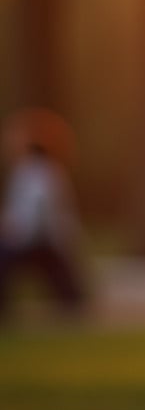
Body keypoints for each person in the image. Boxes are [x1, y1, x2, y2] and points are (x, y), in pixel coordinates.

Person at [0, 136, 86, 320]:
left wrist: (21, 234)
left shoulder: (33, 173)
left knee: (6, 263)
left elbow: (35, 208)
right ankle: (73, 303)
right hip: (45, 236)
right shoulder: (51, 171)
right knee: (61, 273)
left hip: (35, 237)